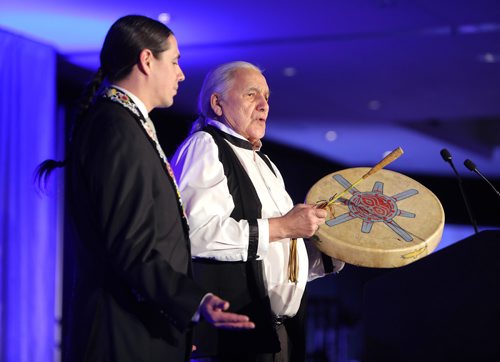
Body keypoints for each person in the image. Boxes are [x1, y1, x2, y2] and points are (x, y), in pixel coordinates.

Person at [35, 16, 254, 362]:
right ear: (147, 60)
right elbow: (130, 245)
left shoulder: (125, 124)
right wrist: (194, 301)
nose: (181, 73)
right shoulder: (115, 128)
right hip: (121, 334)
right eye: (175, 61)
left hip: (141, 328)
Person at [171, 61, 345, 362]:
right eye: (252, 94)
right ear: (218, 103)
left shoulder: (265, 164)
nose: (264, 104)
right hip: (233, 339)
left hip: (277, 336)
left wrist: (337, 249)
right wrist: (285, 227)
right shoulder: (205, 146)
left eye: (266, 96)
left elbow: (280, 261)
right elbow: (196, 235)